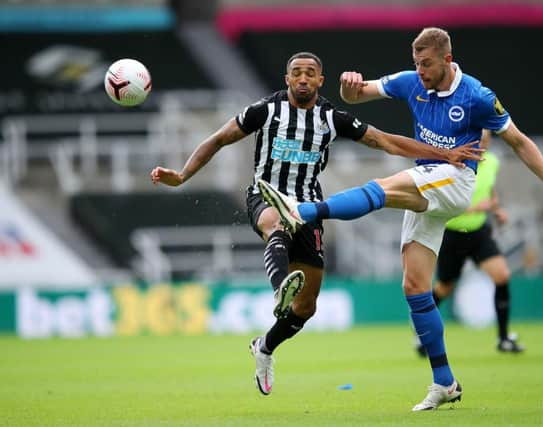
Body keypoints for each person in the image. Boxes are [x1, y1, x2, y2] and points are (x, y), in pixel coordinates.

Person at [257, 28, 543, 411]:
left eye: (427, 64)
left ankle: (302, 210)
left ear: (447, 61)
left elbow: (519, 141)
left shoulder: (477, 96)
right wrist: (350, 86)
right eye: (416, 63)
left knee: (383, 187)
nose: (420, 71)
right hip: (428, 183)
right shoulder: (408, 82)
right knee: (415, 286)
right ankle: (445, 382)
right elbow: (358, 95)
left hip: (455, 180)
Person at [150, 51, 482, 397]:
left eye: (311, 73)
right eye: (297, 73)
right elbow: (218, 138)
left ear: (321, 80)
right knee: (275, 223)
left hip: (308, 205)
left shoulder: (331, 117)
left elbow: (385, 141)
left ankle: (264, 347)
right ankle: (281, 288)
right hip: (266, 195)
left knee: (306, 307)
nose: (304, 79)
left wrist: (444, 154)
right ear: (287, 79)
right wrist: (183, 175)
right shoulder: (264, 111)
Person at [415, 129, 524, 359]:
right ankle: (423, 334)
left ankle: (503, 338)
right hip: (453, 232)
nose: (482, 144)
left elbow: (490, 194)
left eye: (486, 140)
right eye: (478, 140)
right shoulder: (455, 165)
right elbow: (443, 202)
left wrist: (497, 210)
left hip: (479, 232)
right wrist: (476, 208)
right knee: (444, 287)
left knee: (502, 275)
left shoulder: (492, 162)